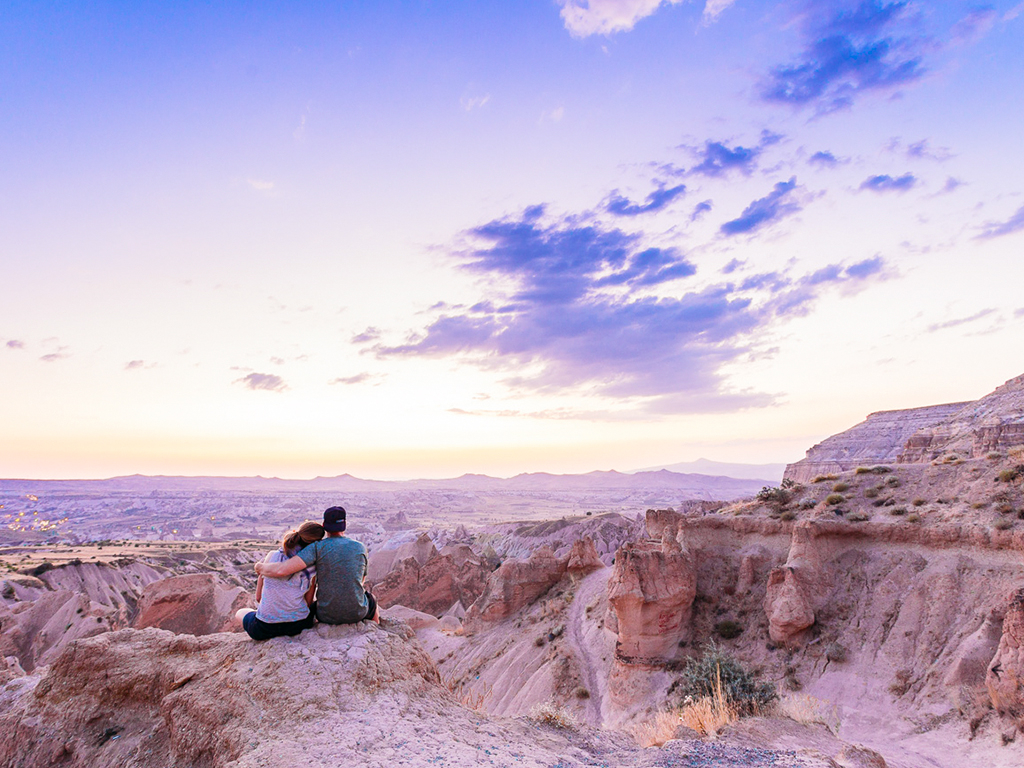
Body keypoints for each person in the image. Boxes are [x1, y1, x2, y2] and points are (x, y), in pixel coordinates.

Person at [255, 506, 379, 624]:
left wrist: (260, 567)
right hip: (357, 613)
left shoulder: (316, 547)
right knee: (371, 599)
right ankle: (375, 630)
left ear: (324, 526)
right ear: (344, 526)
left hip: (325, 615)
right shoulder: (360, 547)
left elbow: (283, 569)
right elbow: (360, 581)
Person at [236, 520, 324, 640]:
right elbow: (308, 603)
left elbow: (258, 597)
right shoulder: (312, 567)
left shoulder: (271, 556)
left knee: (240, 612)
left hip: (264, 628)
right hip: (298, 625)